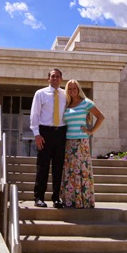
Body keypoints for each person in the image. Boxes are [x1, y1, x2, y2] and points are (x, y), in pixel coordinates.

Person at [60, 79, 105, 209]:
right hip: (68, 142)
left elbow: (101, 117)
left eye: (74, 88)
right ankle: (70, 200)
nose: (72, 91)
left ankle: (83, 200)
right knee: (70, 171)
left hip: (81, 142)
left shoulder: (86, 103)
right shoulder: (66, 105)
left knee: (81, 170)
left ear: (78, 89)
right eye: (69, 89)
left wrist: (91, 131)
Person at [30, 68, 67, 208]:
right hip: (45, 133)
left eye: (57, 76)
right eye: (52, 76)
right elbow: (35, 114)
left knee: (58, 168)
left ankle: (56, 198)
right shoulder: (40, 93)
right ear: (48, 79)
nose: (55, 78)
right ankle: (39, 197)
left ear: (61, 79)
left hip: (61, 133)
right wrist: (36, 134)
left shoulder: (65, 94)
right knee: (43, 167)